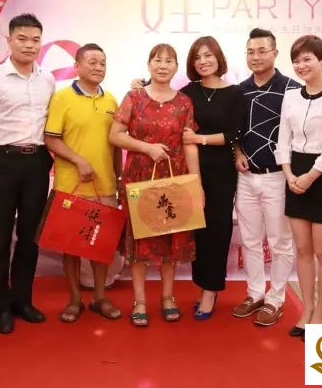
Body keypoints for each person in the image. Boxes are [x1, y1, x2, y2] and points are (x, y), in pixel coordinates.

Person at [131, 37, 243, 320]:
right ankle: (196, 284)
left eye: (208, 55)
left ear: (218, 58)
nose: (203, 61)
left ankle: (210, 291)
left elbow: (235, 133)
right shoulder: (187, 93)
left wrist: (200, 139)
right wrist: (139, 85)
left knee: (217, 229)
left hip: (219, 171)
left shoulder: (235, 93)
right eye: (197, 57)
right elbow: (160, 98)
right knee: (195, 233)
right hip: (181, 170)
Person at [0, 13, 55, 334]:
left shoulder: (47, 80)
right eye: (22, 39)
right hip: (1, 164)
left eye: (35, 40)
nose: (29, 45)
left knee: (31, 238)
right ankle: (0, 306)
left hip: (37, 165)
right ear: (9, 41)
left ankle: (22, 300)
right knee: (0, 238)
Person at [109, 43, 201, 327]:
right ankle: (139, 301)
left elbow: (189, 144)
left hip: (173, 179)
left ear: (176, 67)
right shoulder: (134, 97)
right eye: (158, 60)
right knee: (141, 241)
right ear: (149, 64)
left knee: (170, 240)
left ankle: (167, 297)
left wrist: (196, 184)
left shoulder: (184, 103)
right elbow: (115, 135)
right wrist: (147, 148)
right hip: (139, 177)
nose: (163, 65)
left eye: (169, 61)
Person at [275, 35, 322, 341]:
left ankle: (321, 313)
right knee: (302, 250)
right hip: (294, 174)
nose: (301, 65)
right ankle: (307, 310)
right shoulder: (291, 96)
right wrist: (289, 174)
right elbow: (283, 139)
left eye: (307, 59)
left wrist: (311, 176)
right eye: (296, 60)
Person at [44, 43, 123, 323]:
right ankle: (75, 300)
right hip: (71, 186)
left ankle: (100, 297)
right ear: (77, 66)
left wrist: (119, 178)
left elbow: (115, 145)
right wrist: (79, 161)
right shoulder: (62, 98)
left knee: (102, 247)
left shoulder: (111, 100)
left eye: (103, 63)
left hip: (105, 187)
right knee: (71, 247)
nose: (98, 67)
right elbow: (51, 139)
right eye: (92, 62)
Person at [233, 28, 301, 326]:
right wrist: (236, 151)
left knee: (280, 243)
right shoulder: (239, 90)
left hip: (278, 178)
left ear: (275, 53)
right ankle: (255, 293)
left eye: (262, 51)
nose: (256, 57)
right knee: (249, 241)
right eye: (251, 52)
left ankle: (276, 299)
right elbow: (234, 131)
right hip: (245, 178)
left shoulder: (293, 90)